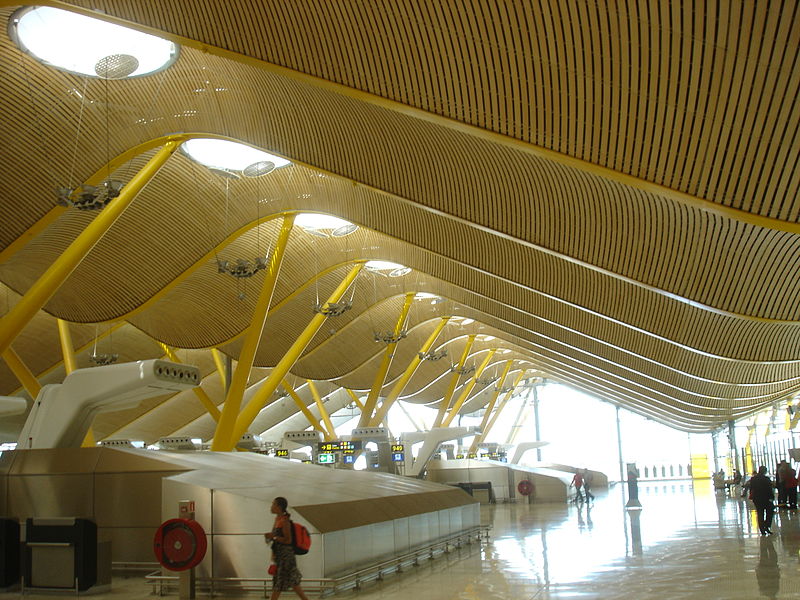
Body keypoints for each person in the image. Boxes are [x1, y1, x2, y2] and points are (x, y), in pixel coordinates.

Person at [264, 497, 309, 600]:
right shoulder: (277, 519)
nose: (271, 507)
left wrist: (273, 537)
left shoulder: (284, 521)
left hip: (286, 557)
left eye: (273, 504)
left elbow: (288, 540)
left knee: (280, 582)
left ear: (279, 507)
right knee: (292, 582)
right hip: (281, 556)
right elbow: (276, 537)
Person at [749, 466, 776, 535]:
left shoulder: (753, 479)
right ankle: (766, 526)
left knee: (760, 513)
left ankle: (762, 529)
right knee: (770, 512)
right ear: (764, 471)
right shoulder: (766, 479)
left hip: (757, 499)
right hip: (766, 498)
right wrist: (772, 497)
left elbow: (751, 489)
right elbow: (769, 489)